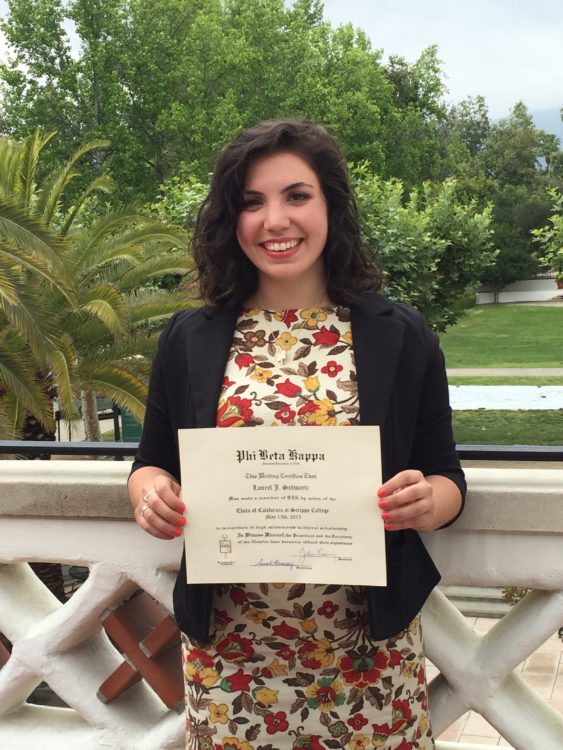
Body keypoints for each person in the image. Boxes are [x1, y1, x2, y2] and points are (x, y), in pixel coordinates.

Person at [128, 118, 466, 750]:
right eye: (251, 202)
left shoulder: (401, 334)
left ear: (331, 207)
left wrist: (428, 499)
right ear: (230, 220)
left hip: (368, 654)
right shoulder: (189, 337)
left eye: (297, 196)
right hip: (231, 657)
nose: (274, 220)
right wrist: (150, 497)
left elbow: (447, 476)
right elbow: (149, 463)